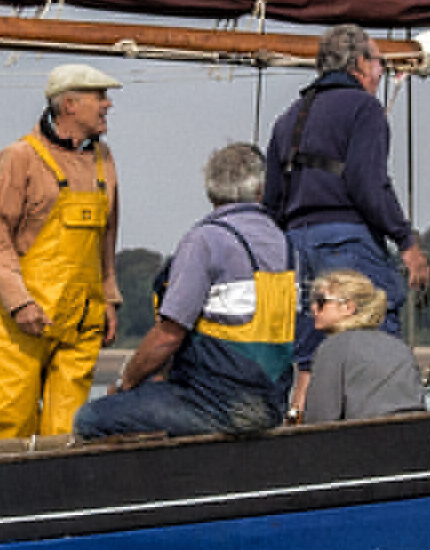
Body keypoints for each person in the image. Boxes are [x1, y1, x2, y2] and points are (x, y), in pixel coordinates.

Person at [75, 141, 303, 442]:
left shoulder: (206, 241)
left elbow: (168, 336)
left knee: (91, 418)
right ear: (260, 189)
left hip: (216, 404)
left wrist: (125, 382)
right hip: (271, 403)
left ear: (211, 191)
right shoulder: (286, 246)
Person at [0, 62, 121, 441]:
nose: (108, 105)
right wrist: (19, 302)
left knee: (68, 430)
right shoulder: (18, 157)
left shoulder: (104, 159)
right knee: (6, 422)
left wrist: (109, 298)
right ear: (69, 105)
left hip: (82, 320)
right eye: (99, 97)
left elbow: (107, 238)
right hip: (22, 319)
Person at [262, 24, 427, 340]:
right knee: (374, 338)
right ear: (360, 63)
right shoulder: (364, 108)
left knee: (311, 357)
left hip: (296, 248)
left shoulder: (288, 119)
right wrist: (406, 242)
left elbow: (272, 202)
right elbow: (368, 183)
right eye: (380, 62)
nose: (381, 72)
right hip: (346, 243)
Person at [293, 266, 427, 424]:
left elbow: (319, 419)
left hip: (364, 441)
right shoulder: (399, 347)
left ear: (348, 308)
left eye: (321, 302)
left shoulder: (333, 348)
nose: (314, 308)